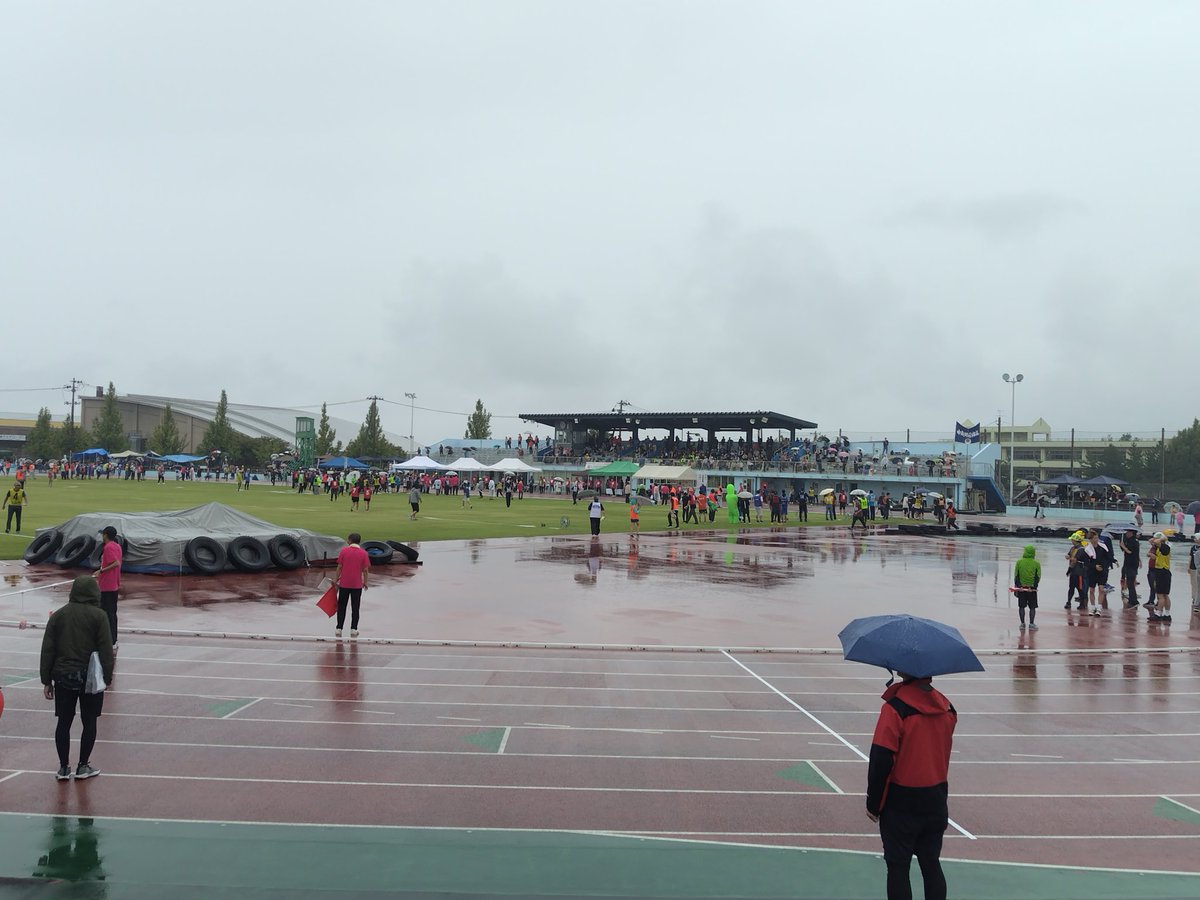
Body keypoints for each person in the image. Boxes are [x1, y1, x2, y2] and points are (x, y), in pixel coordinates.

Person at [866, 672, 956, 900]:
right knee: (931, 864)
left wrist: (873, 803)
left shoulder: (895, 709)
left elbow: (881, 758)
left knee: (898, 867)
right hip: (936, 796)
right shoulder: (947, 709)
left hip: (901, 801)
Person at [40, 575, 115, 781]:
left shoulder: (58, 616)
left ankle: (63, 767)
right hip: (90, 677)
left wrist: (46, 680)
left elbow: (48, 650)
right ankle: (83, 766)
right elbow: (106, 650)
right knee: (89, 721)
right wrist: (107, 677)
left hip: (63, 676)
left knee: (63, 722)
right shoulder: (99, 616)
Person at [333, 532, 370, 639]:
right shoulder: (364, 553)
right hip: (357, 585)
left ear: (349, 540)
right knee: (355, 607)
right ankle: (354, 629)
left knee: (342, 606)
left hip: (344, 584)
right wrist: (366, 582)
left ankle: (339, 628)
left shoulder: (344, 551)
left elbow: (339, 567)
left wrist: (335, 579)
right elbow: (365, 570)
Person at [92, 526, 123, 653]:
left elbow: (115, 563)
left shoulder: (109, 547)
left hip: (107, 586)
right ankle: (112, 639)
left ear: (105, 535)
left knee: (106, 614)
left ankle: (111, 640)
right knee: (111, 613)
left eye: (102, 534)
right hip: (113, 584)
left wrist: (101, 571)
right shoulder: (117, 546)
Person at [1014, 544, 1041, 630]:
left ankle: (1022, 624)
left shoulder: (1019, 562)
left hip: (1021, 588)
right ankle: (1031, 624)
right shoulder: (1036, 563)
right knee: (1032, 607)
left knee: (1021, 606)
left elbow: (1016, 576)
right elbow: (1038, 577)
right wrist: (1034, 587)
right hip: (1031, 589)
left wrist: (1019, 586)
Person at [1148, 532, 1171, 623]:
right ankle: (1167, 614)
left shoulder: (1165, 547)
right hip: (1164, 571)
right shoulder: (1160, 548)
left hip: (1162, 571)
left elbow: (1156, 541)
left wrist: (1160, 538)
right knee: (1165, 595)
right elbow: (1151, 541)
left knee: (1161, 595)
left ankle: (1158, 613)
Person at [1120, 526, 1140, 609]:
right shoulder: (1130, 540)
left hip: (1132, 564)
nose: (1126, 534)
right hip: (1130, 564)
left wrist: (1123, 546)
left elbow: (1129, 551)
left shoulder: (1133, 541)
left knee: (1130, 583)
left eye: (1127, 532)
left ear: (1131, 533)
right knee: (1129, 582)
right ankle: (1132, 599)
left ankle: (1134, 601)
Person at [1190, 534, 1200, 611]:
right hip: (1196, 571)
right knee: (1196, 587)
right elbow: (1197, 564)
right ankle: (1196, 603)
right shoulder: (1196, 551)